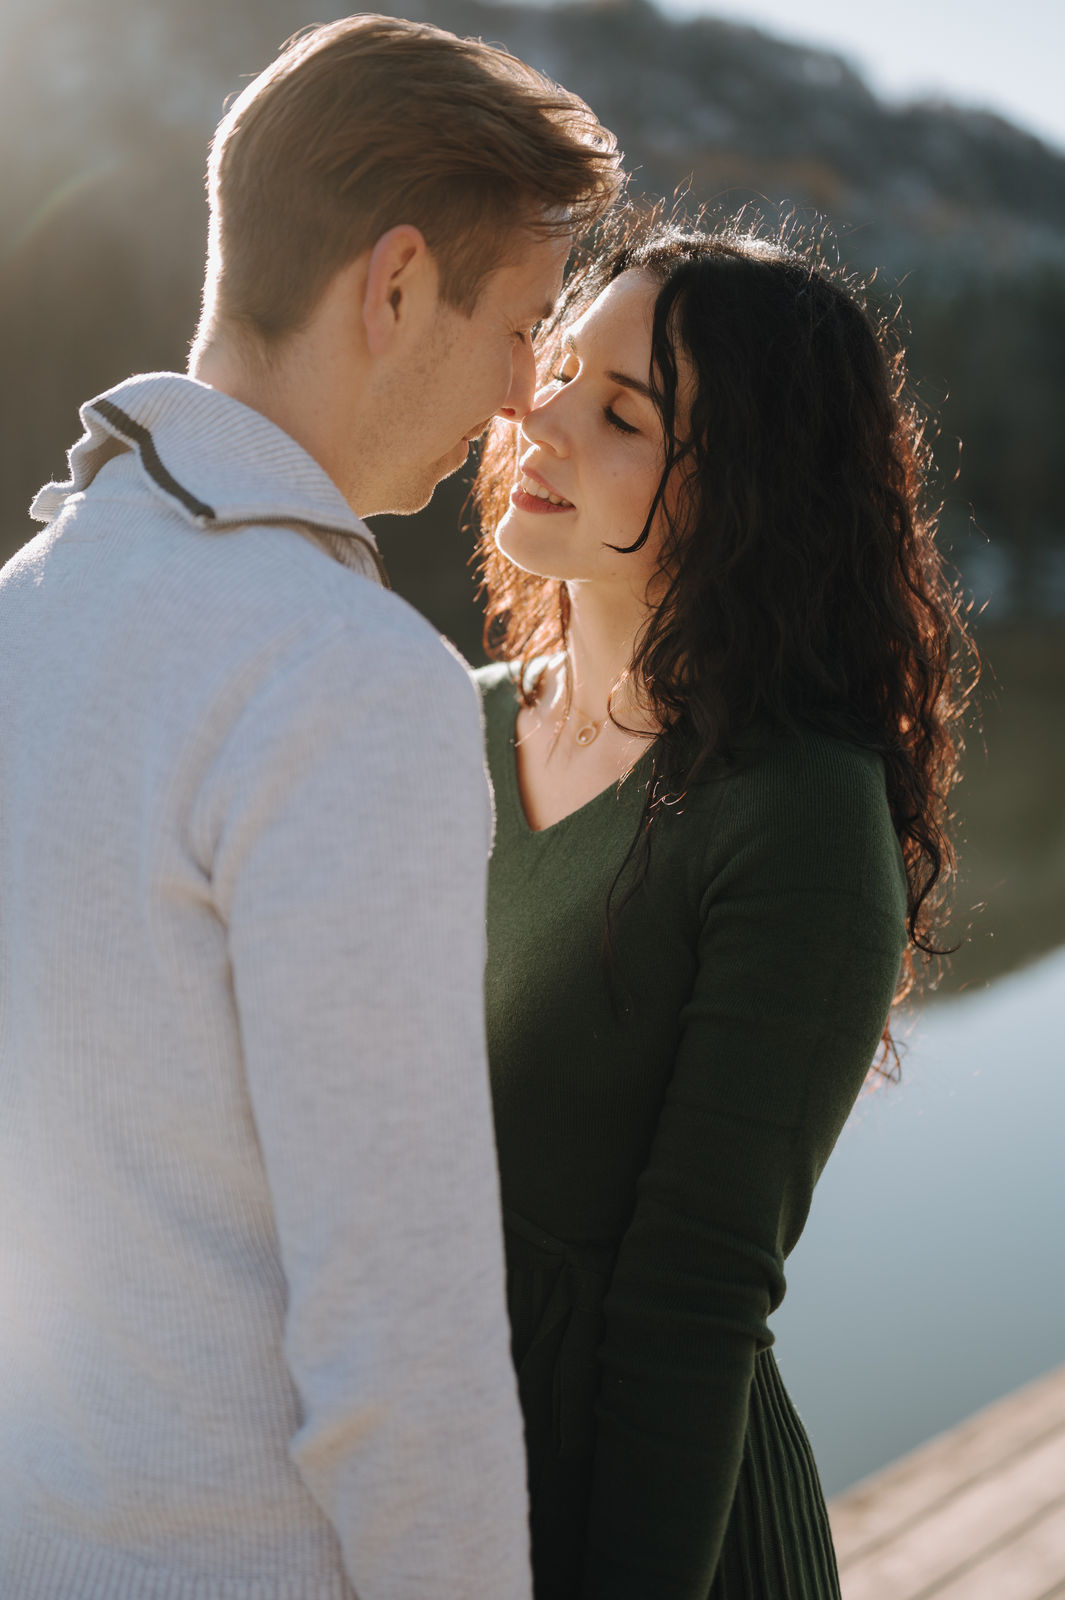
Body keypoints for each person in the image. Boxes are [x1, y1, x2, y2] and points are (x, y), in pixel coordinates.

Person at [0, 16, 620, 1600]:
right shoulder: (351, 684)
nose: (513, 398)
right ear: (395, 283)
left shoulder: (24, 609)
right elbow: (396, 1333)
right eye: (520, 325)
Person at [472, 217, 972, 1598]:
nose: (540, 417)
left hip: (643, 1540)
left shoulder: (792, 815)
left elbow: (691, 1304)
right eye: (559, 369)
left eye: (621, 412)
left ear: (739, 491)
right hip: (417, 1494)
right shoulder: (429, 734)